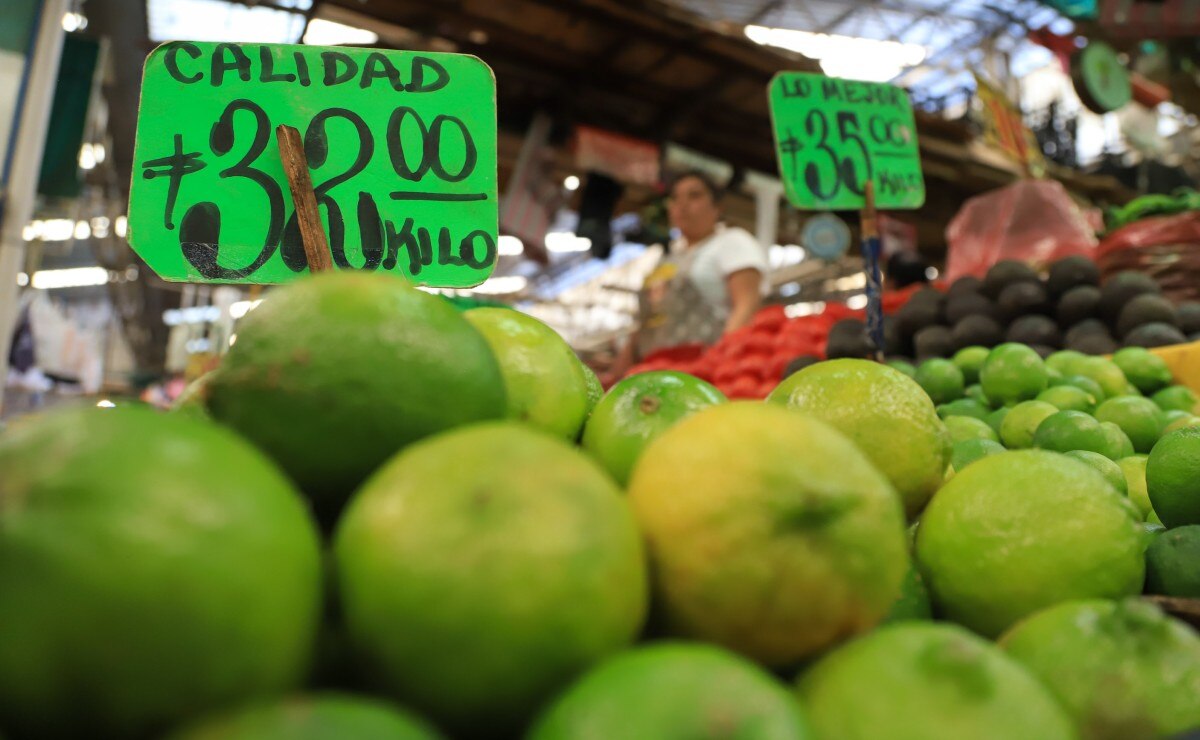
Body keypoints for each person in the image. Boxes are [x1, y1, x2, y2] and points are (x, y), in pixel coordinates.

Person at [608, 170, 768, 380]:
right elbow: (646, 322)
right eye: (675, 198)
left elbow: (747, 304)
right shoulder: (666, 258)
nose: (682, 205)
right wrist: (617, 375)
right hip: (653, 371)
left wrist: (718, 364)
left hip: (705, 371)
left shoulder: (733, 242)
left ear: (717, 207)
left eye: (695, 195)